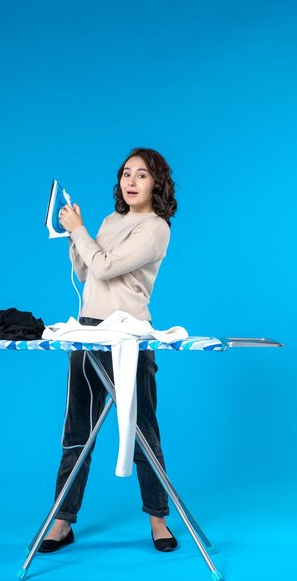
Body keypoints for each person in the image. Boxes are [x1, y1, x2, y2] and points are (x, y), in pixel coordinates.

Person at [39, 147, 178, 553]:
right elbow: (85, 269)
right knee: (76, 429)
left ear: (157, 184)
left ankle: (159, 520)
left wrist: (81, 232)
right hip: (87, 332)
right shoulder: (109, 220)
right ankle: (62, 521)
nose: (131, 182)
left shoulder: (156, 228)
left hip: (128, 334)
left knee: (141, 430)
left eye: (141, 175)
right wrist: (73, 233)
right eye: (126, 174)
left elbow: (102, 266)